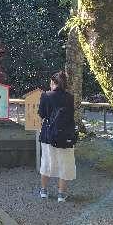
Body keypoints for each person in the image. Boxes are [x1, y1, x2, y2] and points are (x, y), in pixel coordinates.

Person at [38, 71, 76, 202]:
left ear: (54, 82)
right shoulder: (70, 97)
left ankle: (43, 191)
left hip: (48, 135)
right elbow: (71, 116)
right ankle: (61, 194)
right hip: (65, 136)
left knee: (47, 163)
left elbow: (42, 114)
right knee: (65, 164)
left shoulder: (46, 95)